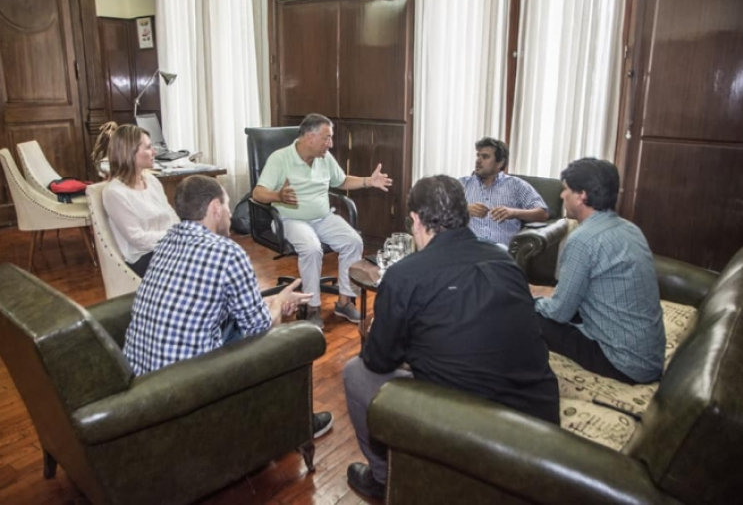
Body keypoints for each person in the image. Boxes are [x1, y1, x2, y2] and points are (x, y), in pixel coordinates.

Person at [343, 175, 559, 499]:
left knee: (354, 372)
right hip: (538, 417)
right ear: (465, 214)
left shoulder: (404, 275)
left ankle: (385, 479)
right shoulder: (506, 261)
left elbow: (378, 359)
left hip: (469, 426)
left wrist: (382, 331)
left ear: (416, 221)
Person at [123, 175, 334, 437]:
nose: (230, 214)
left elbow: (206, 305)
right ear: (214, 208)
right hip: (190, 386)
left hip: (143, 383)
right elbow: (260, 330)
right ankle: (296, 424)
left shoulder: (166, 242)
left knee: (253, 317)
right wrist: (279, 303)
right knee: (282, 342)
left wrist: (268, 302)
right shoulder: (227, 252)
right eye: (227, 205)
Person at [252, 113, 393, 330]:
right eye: (327, 138)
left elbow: (342, 179)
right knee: (311, 248)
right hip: (290, 219)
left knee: (353, 241)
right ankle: (312, 308)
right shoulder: (280, 159)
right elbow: (258, 193)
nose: (331, 143)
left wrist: (368, 181)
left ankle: (344, 302)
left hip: (323, 217)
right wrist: (278, 196)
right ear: (310, 137)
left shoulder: (325, 158)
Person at [534, 158, 665, 384]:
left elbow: (558, 313)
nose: (561, 195)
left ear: (582, 195)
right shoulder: (630, 228)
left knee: (524, 312)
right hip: (649, 360)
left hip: (621, 364)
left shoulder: (582, 240)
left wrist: (531, 300)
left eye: (566, 189)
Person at [92, 122, 179, 277]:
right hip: (143, 258)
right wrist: (174, 236)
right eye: (148, 147)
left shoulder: (152, 181)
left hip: (168, 247)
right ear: (129, 153)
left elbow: (172, 217)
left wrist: (178, 236)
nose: (154, 151)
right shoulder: (114, 193)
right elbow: (137, 239)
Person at [459, 137, 548, 245]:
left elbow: (543, 214)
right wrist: (465, 209)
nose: (478, 160)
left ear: (500, 163)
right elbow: (438, 212)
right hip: (469, 246)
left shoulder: (516, 185)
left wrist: (514, 213)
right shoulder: (462, 184)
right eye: (478, 155)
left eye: (485, 157)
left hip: (499, 250)